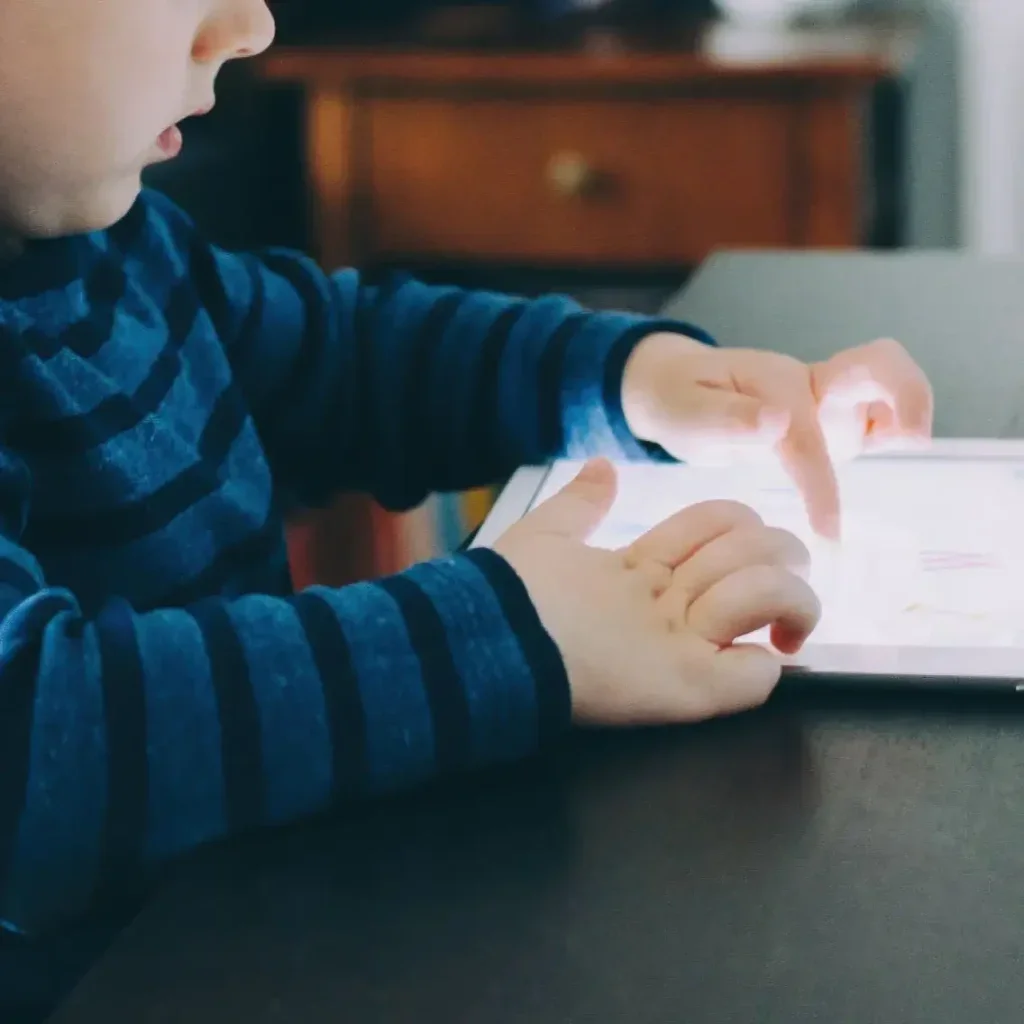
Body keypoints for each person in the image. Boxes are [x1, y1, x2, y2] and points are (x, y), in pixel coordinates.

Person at [0, 0, 933, 1018]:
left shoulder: (115, 249)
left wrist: (630, 381)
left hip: (236, 925)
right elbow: (39, 742)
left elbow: (344, 361)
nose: (247, 25)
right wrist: (514, 630)